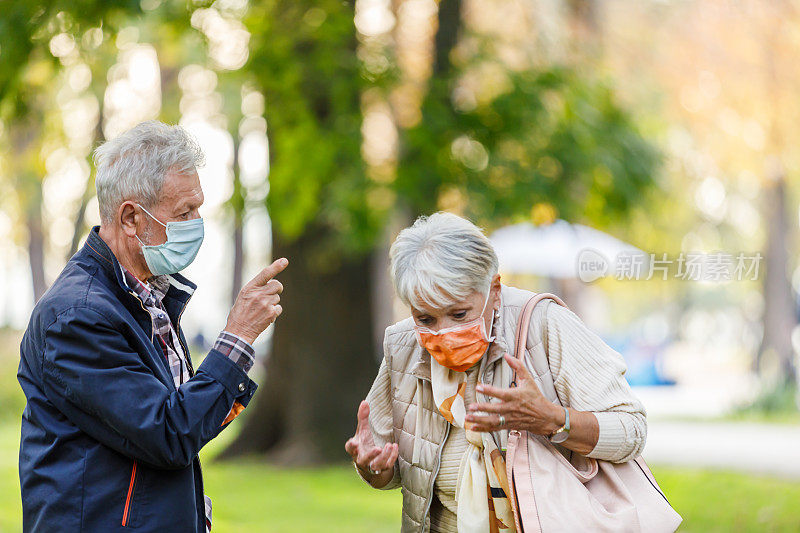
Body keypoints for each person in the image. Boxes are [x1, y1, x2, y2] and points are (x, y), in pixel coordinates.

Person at [18, 121, 287, 532]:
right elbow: (169, 434)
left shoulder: (145, 298)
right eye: (185, 212)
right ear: (130, 218)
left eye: (198, 208)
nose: (198, 223)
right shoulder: (77, 317)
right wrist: (238, 336)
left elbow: (187, 423)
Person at [345, 212, 647, 533]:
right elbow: (392, 470)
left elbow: (631, 431)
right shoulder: (403, 344)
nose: (444, 332)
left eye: (459, 313)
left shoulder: (545, 324)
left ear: (495, 290)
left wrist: (554, 420)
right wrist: (372, 468)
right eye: (426, 319)